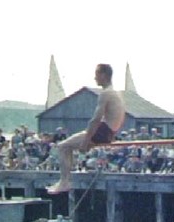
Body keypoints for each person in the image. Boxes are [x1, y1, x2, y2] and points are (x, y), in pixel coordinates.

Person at [46, 63, 125, 194]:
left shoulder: (105, 93)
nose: (95, 78)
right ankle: (65, 180)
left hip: (103, 131)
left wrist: (85, 141)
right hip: (109, 132)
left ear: (103, 75)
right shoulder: (116, 93)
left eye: (97, 74)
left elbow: (96, 119)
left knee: (62, 146)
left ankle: (64, 182)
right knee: (67, 147)